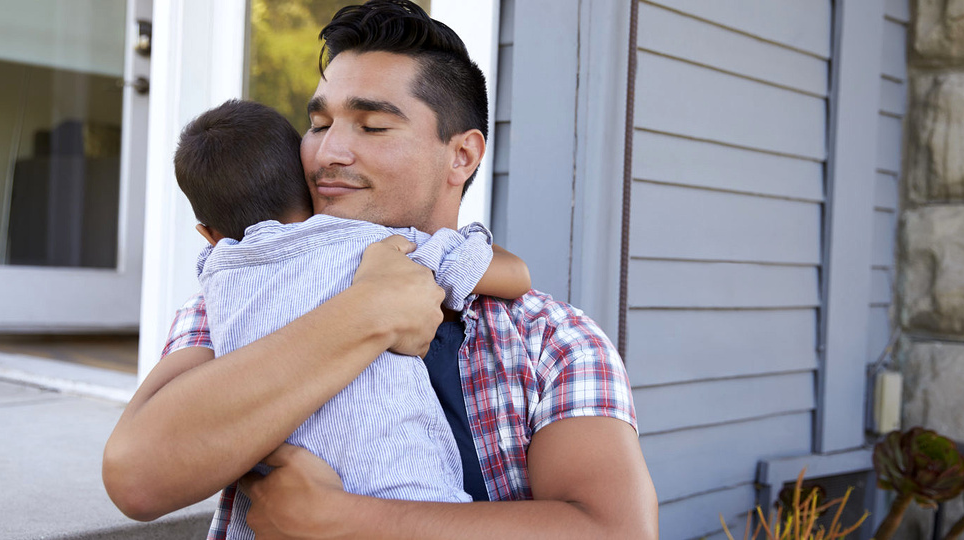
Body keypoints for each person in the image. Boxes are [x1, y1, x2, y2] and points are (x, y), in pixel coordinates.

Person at [103, 1, 659, 538]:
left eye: (372, 127)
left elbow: (617, 530)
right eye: (319, 124)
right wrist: (366, 312)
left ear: (461, 156)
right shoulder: (241, 292)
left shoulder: (551, 341)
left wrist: (345, 524)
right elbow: (139, 478)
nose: (327, 153)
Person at [173, 98, 531, 537]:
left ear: (207, 235)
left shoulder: (214, 279)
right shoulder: (371, 244)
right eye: (319, 125)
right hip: (407, 496)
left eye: (373, 127)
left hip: (270, 513)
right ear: (308, 190)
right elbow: (514, 276)